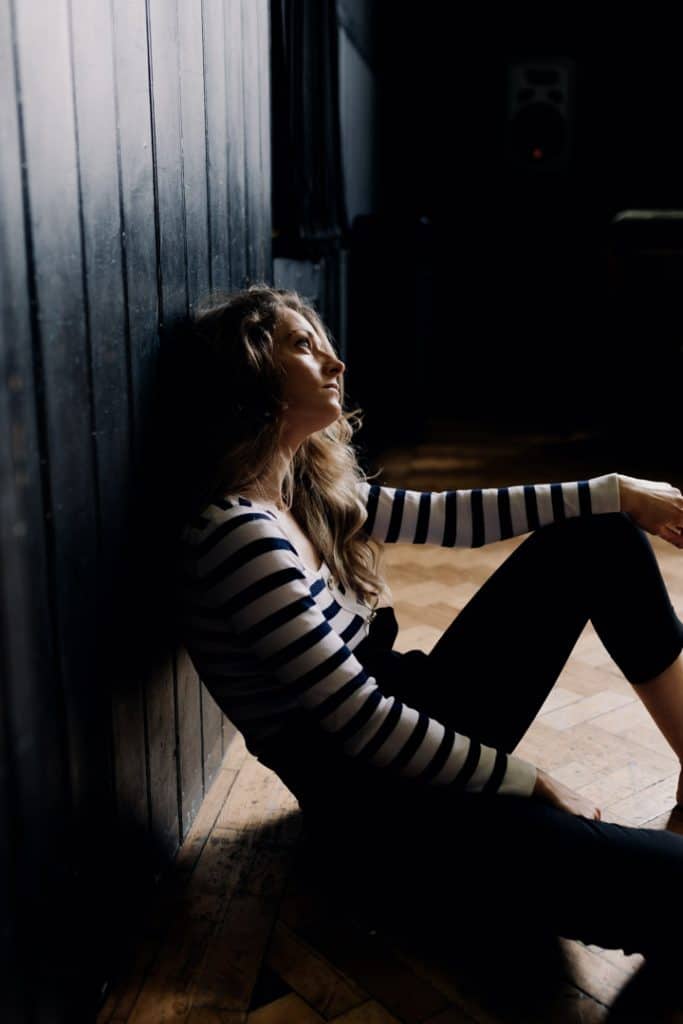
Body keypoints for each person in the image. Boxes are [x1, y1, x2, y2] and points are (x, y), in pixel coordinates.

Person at [164, 282, 683, 965]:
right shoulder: (237, 535)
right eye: (302, 344)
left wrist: (614, 491)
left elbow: (452, 517)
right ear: (252, 373)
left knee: (598, 534)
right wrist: (525, 777)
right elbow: (359, 722)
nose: (333, 362)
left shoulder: (303, 490)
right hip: (378, 804)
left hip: (412, 721)